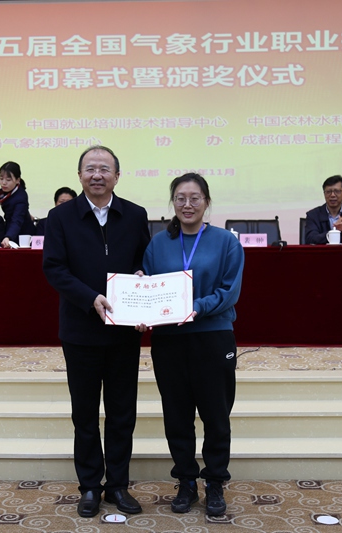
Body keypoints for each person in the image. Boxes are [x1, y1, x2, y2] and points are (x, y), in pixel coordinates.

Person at [42, 146, 150, 518]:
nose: (97, 175)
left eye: (105, 169)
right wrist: (90, 299)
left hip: (123, 331)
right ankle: (89, 485)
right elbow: (54, 268)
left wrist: (141, 280)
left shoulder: (135, 215)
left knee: (122, 413)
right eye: (90, 169)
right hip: (80, 331)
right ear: (80, 175)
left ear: (117, 176)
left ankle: (117, 485)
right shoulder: (60, 217)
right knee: (85, 414)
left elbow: (143, 261)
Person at [139, 173, 244, 517]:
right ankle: (186, 481)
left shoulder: (226, 242)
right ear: (173, 202)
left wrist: (196, 307)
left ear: (206, 202)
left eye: (195, 198)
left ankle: (214, 482)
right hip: (169, 340)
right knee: (177, 417)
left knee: (216, 416)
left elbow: (229, 291)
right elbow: (148, 286)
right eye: (180, 198)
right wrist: (139, 298)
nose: (187, 204)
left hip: (212, 335)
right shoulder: (158, 244)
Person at [304, 175, 342, 244]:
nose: (332, 195)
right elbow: (310, 239)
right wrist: (334, 231)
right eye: (328, 191)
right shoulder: (313, 215)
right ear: (324, 194)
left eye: (337, 191)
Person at [0, 161, 34, 247]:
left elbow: (17, 220)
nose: (3, 183)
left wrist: (8, 237)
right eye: (1, 178)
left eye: (8, 180)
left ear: (17, 180)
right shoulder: (3, 192)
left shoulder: (21, 197)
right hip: (10, 226)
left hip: (22, 233)